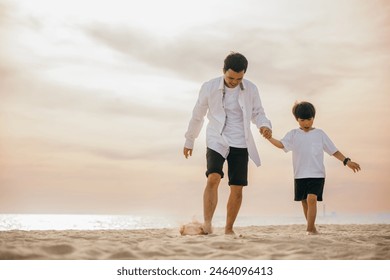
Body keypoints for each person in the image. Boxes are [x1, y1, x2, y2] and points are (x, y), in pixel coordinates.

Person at [183, 52, 272, 235]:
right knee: (213, 177)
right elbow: (198, 115)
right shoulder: (209, 87)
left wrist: (264, 125)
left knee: (237, 188)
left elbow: (258, 112)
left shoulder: (251, 89)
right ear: (224, 71)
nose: (234, 81)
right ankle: (207, 225)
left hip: (241, 140)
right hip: (217, 137)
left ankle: (228, 229)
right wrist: (190, 139)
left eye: (239, 78)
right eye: (231, 77)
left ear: (244, 74)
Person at [265, 101, 361, 234]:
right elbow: (281, 145)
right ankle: (312, 227)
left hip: (317, 174)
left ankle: (309, 229)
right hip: (299, 175)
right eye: (302, 120)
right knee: (305, 202)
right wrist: (269, 138)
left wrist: (347, 161)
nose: (306, 123)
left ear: (313, 118)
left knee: (312, 199)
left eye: (309, 119)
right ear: (297, 120)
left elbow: (333, 151)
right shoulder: (293, 134)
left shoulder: (320, 134)